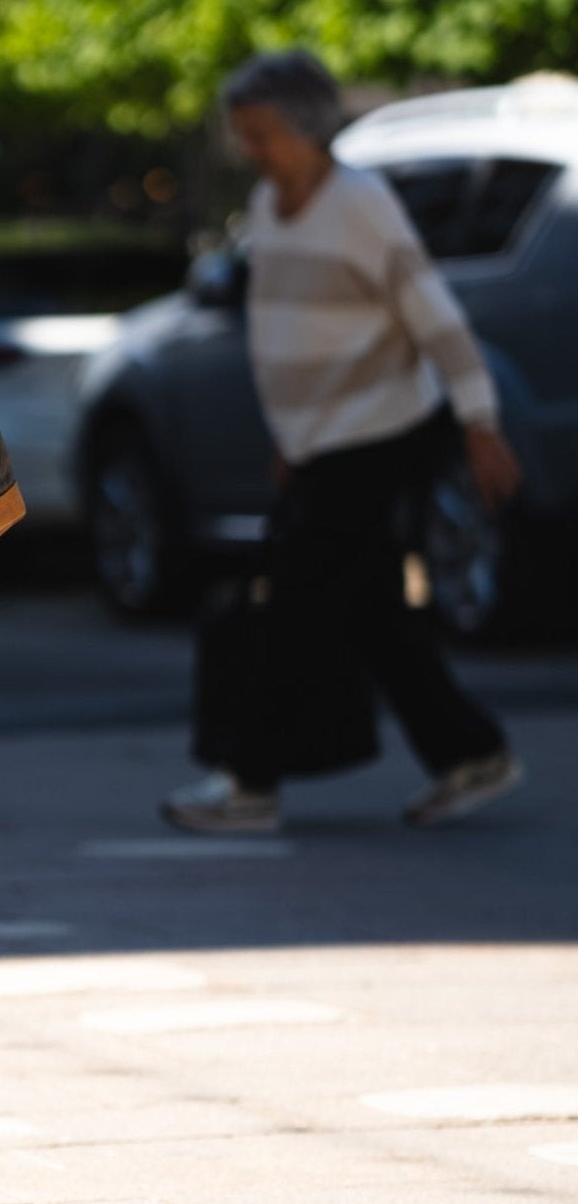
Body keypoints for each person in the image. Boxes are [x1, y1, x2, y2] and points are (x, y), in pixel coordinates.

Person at [162, 50, 524, 835]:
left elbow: (438, 320)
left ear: (308, 130)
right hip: (323, 440)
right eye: (243, 134)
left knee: (297, 602)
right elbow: (279, 330)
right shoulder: (266, 205)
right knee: (368, 608)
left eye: (260, 133)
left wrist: (481, 422)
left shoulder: (362, 204)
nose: (249, 149)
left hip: (384, 428)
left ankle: (249, 783)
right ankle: (472, 753)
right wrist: (292, 438)